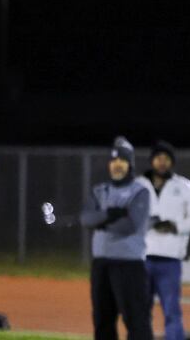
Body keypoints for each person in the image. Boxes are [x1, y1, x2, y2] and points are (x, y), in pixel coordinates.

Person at [79, 136, 152, 340]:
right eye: (113, 161)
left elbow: (129, 225)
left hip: (129, 265)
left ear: (130, 164)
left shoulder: (140, 191)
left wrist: (100, 221)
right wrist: (111, 214)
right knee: (102, 320)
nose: (117, 166)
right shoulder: (99, 190)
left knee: (136, 321)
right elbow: (86, 219)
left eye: (122, 161)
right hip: (101, 264)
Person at [140, 140, 190, 340]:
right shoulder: (138, 185)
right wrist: (147, 223)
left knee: (172, 311)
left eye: (166, 159)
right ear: (152, 160)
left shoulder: (185, 187)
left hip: (170, 260)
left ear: (172, 162)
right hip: (141, 257)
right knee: (140, 312)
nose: (162, 162)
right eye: (159, 158)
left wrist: (174, 226)